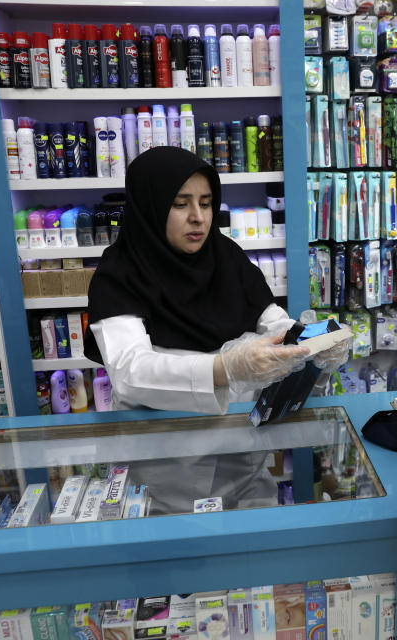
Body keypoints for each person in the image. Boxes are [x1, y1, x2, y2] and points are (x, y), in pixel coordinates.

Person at [85, 146, 347, 512]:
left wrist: (314, 340)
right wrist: (224, 369)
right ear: (150, 204)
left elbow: (272, 320)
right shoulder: (118, 277)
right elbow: (130, 372)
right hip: (163, 474)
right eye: (180, 204)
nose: (198, 218)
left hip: (243, 460)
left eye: (206, 203)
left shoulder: (225, 256)